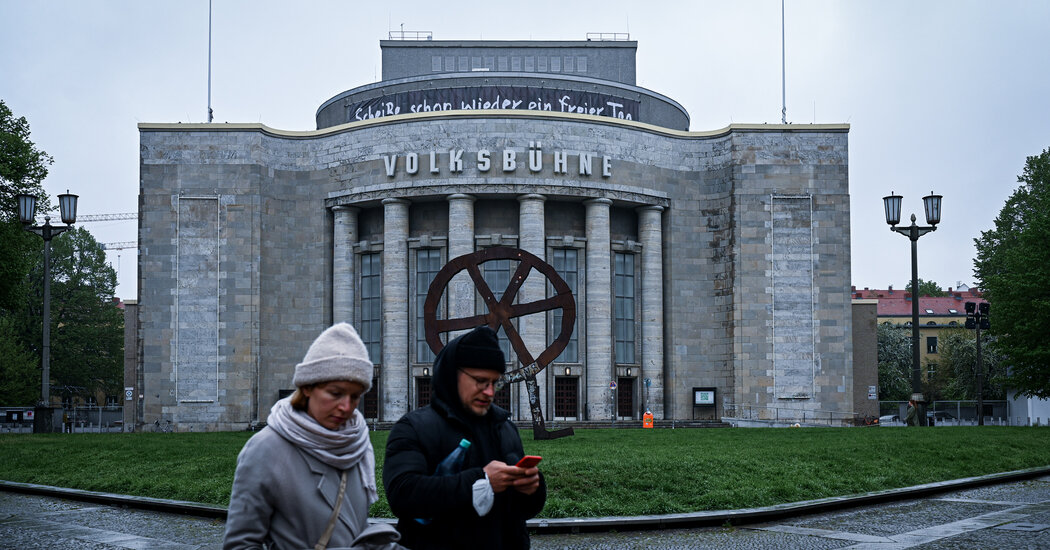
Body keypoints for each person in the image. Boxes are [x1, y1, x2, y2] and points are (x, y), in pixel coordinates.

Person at [224, 323, 402, 550]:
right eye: (335, 393)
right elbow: (241, 545)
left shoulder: (356, 443)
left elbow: (351, 527)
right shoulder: (265, 448)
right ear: (308, 387)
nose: (347, 407)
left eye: (355, 396)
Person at [383, 326, 545, 550]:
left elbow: (521, 511)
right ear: (451, 375)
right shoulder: (413, 427)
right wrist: (481, 481)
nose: (489, 392)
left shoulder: (505, 427)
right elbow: (403, 494)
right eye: (480, 381)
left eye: (494, 383)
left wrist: (532, 489)